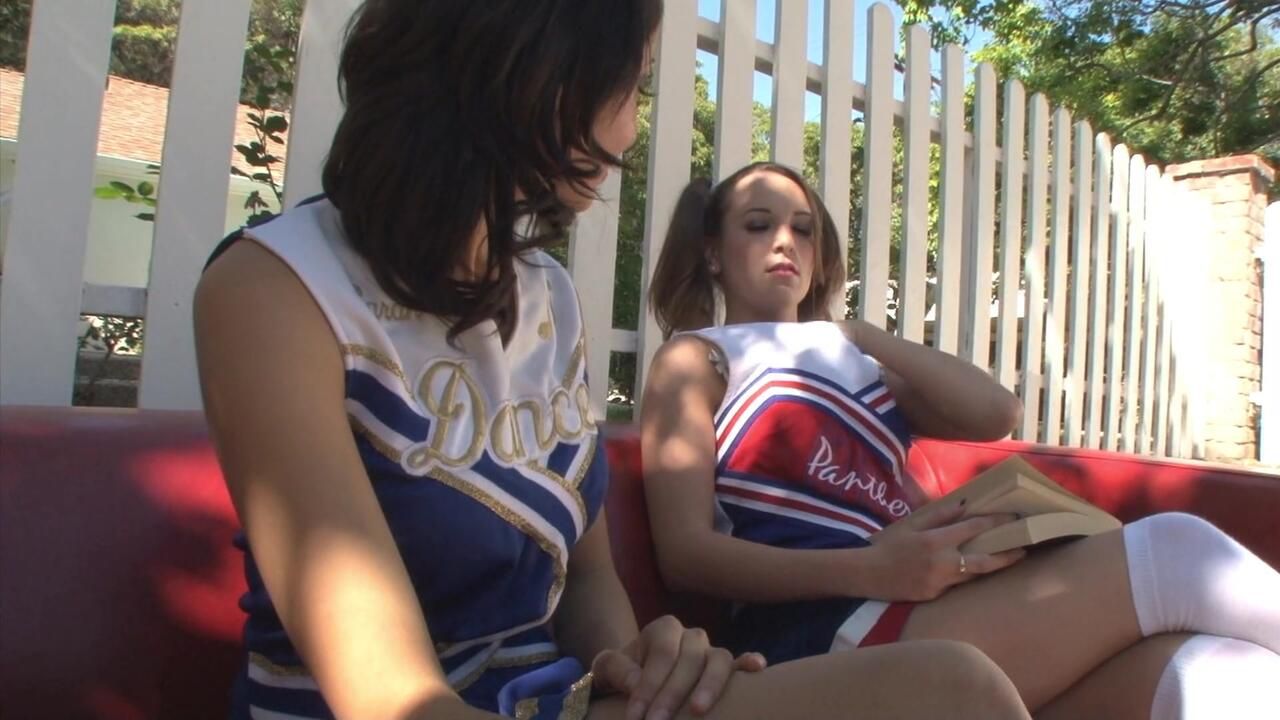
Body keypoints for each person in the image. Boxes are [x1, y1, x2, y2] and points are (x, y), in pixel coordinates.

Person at [193, 2, 1036, 719]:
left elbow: (587, 580)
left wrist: (641, 668)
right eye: (632, 84)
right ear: (539, 83)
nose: (634, 124)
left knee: (955, 689)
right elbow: (390, 698)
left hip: (555, 699)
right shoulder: (275, 288)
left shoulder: (547, 298)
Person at [640, 161, 1280, 720]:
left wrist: (859, 336)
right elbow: (686, 553)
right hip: (823, 629)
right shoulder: (699, 358)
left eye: (803, 229)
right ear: (713, 254)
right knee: (1179, 551)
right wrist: (872, 568)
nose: (785, 241)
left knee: (1208, 670)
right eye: (758, 225)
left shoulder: (854, 364)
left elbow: (995, 411)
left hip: (936, 600)